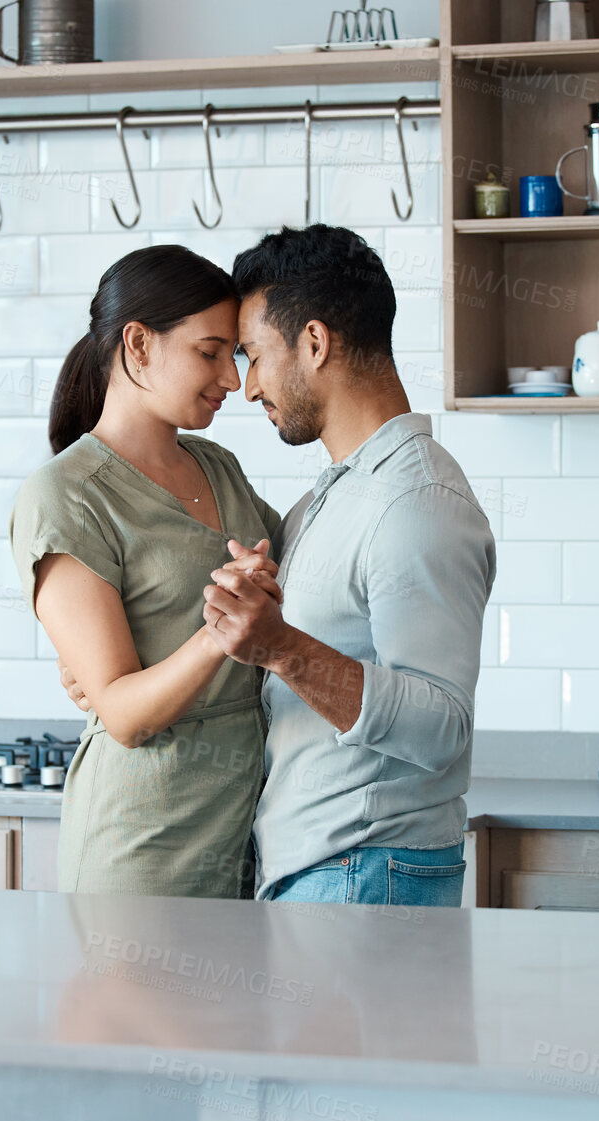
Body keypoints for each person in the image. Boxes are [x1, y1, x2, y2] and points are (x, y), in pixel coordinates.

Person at [202, 225, 496, 907]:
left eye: (252, 355)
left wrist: (280, 646)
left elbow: (441, 728)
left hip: (366, 871)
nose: (246, 387)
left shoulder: (417, 502)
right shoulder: (333, 495)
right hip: (330, 868)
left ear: (313, 341)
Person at [8, 245, 283, 898]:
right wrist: (221, 630)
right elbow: (125, 716)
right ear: (137, 345)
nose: (229, 378)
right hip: (142, 849)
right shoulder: (66, 494)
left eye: (235, 355)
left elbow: (303, 563)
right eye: (209, 351)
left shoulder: (217, 465)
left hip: (243, 838)